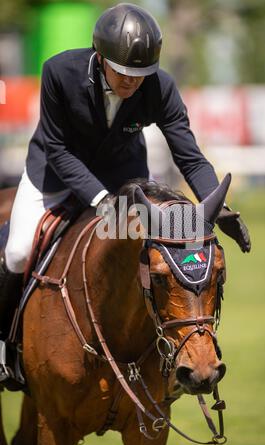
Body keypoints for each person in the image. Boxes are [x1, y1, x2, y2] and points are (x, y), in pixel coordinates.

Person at [0, 3, 250, 369]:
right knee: (19, 251)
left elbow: (190, 156)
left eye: (141, 74)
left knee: (152, 255)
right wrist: (100, 200)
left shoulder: (160, 87)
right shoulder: (59, 71)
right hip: (52, 170)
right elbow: (57, 148)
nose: (132, 82)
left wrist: (218, 208)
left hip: (123, 177)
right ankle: (7, 349)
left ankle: (156, 358)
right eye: (123, 72)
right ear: (100, 57)